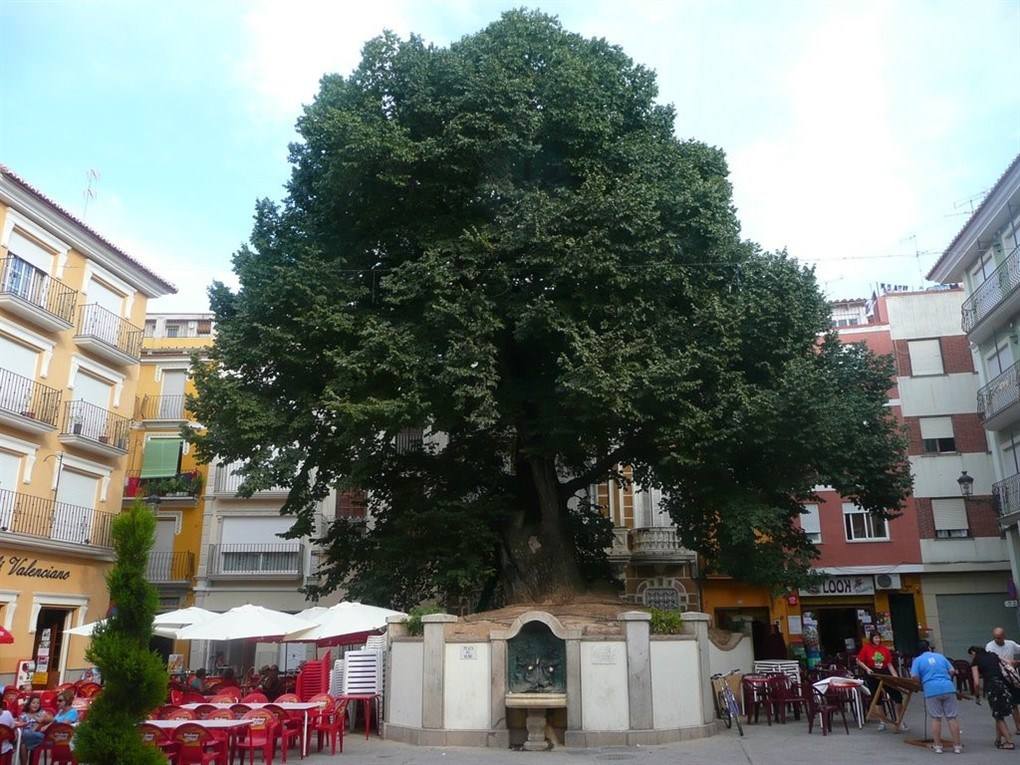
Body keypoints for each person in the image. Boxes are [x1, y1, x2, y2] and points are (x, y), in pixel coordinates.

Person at [911, 640, 961, 754]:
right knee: (951, 717)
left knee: (936, 718)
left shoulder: (917, 660)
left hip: (931, 689)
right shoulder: (940, 656)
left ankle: (938, 746)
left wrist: (922, 683)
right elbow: (952, 670)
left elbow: (914, 676)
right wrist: (947, 678)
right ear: (929, 648)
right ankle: (957, 746)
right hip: (948, 687)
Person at [856, 630, 906, 731]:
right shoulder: (866, 648)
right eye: (875, 638)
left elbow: (889, 664)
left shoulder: (884, 649)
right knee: (877, 698)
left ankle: (899, 720)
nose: (877, 640)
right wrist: (867, 669)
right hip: (872, 674)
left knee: (897, 696)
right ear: (872, 639)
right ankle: (882, 721)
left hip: (884, 673)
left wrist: (895, 676)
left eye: (878, 638)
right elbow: (859, 660)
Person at [970, 645, 1015, 749]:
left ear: (973, 653)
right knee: (998, 713)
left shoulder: (975, 662)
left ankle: (1008, 741)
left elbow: (976, 683)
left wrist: (977, 695)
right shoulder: (993, 655)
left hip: (992, 687)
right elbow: (1008, 662)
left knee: (998, 716)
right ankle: (998, 739)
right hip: (1003, 685)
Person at [986, 627, 1020, 733]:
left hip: (1010, 675)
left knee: (1014, 702)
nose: (997, 640)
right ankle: (1003, 730)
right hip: (999, 676)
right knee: (1001, 704)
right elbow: (992, 659)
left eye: (999, 638)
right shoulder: (990, 646)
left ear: (1004, 636)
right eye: (995, 638)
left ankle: (1018, 726)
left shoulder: (1011, 644)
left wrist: (1016, 662)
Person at [15, 695, 52, 762]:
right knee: (23, 743)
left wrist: (42, 721)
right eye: (33, 703)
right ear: (29, 704)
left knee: (24, 736)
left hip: (38, 735)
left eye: (38, 703)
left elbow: (52, 719)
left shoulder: (42, 713)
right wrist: (22, 724)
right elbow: (19, 725)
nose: (36, 705)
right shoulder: (24, 714)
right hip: (26, 737)